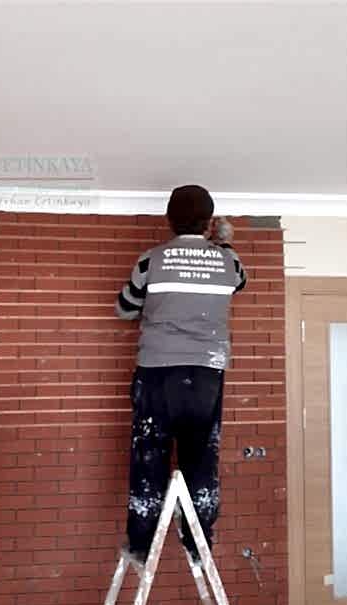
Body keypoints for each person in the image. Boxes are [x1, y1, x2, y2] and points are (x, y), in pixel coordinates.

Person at [115, 184, 247, 564]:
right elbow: (239, 282)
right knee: (201, 456)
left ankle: (141, 544)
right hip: (206, 373)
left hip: (157, 371)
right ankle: (197, 542)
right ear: (208, 222)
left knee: (149, 455)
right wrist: (224, 242)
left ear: (169, 220)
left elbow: (124, 309)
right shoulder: (228, 263)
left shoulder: (151, 260)